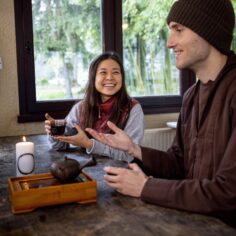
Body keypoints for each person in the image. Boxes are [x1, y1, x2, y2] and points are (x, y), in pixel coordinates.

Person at [85, 0, 236, 227]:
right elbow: (178, 164)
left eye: (178, 30)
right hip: (191, 223)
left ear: (208, 31)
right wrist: (133, 149)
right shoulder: (191, 96)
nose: (169, 42)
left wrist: (146, 187)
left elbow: (228, 193)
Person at [45, 51, 144, 163]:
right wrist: (55, 131)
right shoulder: (81, 108)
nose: (110, 77)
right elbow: (58, 146)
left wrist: (89, 144)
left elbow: (129, 155)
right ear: (93, 78)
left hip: (122, 174)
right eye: (103, 72)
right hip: (87, 171)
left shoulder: (133, 109)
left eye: (116, 72)